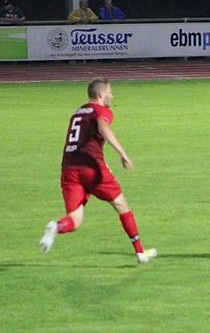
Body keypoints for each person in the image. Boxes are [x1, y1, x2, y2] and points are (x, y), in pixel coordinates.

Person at [39, 79, 157, 265]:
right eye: (110, 92)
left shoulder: (78, 112)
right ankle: (140, 252)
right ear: (101, 94)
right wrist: (122, 153)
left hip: (69, 169)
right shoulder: (102, 111)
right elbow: (103, 127)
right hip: (91, 169)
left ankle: (56, 226)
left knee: (75, 220)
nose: (112, 96)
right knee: (121, 204)